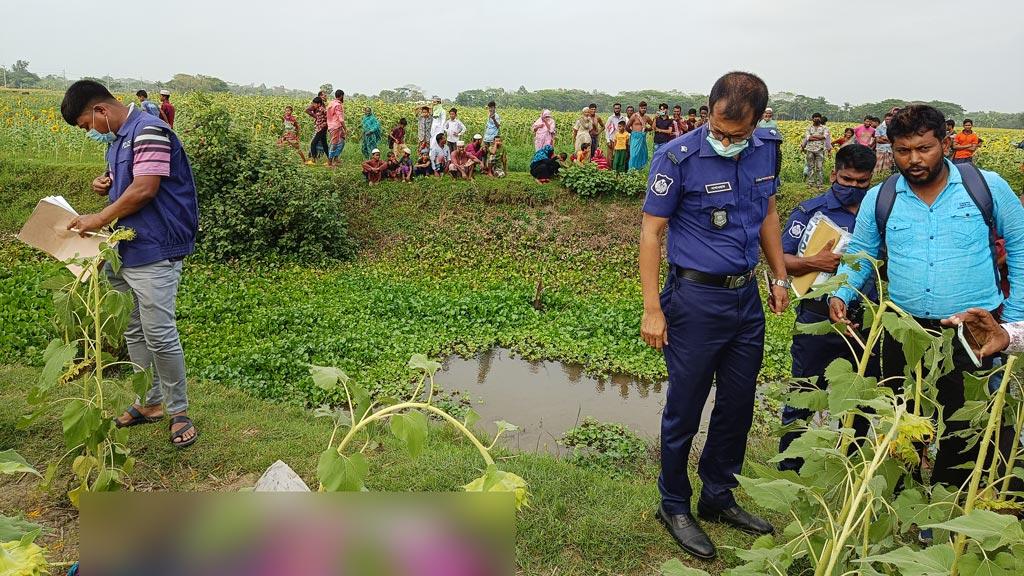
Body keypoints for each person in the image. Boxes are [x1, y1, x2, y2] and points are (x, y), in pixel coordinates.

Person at [829, 104, 1024, 495]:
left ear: (946, 144)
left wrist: (1012, 323)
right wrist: (840, 292)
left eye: (925, 148)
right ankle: (904, 502)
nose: (914, 160)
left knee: (965, 424)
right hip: (904, 330)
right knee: (904, 420)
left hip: (972, 331)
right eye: (904, 150)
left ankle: (947, 508)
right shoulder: (882, 198)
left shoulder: (985, 187)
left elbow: (1019, 247)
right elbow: (862, 252)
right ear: (892, 149)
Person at [641, 71, 787, 560]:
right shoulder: (676, 157)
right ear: (708, 110)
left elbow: (767, 213)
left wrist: (780, 275)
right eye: (718, 129)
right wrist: (652, 309)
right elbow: (650, 234)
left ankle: (718, 495)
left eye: (736, 134)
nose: (724, 140)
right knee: (684, 408)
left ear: (758, 121)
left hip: (745, 300)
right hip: (695, 301)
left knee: (738, 405)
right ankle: (674, 504)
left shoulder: (767, 147)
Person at [60, 80, 199, 448]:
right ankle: (149, 402)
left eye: (87, 126)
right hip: (126, 248)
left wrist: (99, 217)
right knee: (134, 329)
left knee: (159, 332)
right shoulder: (119, 139)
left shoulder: (149, 130)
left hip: (155, 245)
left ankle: (178, 409)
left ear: (101, 111)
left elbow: (146, 188)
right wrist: (107, 183)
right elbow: (130, 182)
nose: (90, 132)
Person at [777, 144, 878, 471]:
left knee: (862, 397)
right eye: (847, 180)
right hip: (817, 319)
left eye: (863, 183)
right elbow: (779, 259)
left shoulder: (879, 213)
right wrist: (813, 262)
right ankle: (790, 467)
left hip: (866, 321)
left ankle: (854, 466)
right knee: (803, 393)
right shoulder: (811, 212)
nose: (854, 189)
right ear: (834, 174)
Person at [800, 113, 831, 187]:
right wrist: (818, 137)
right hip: (809, 149)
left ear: (820, 118)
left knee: (819, 168)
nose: (816, 119)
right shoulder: (808, 127)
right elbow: (808, 138)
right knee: (810, 167)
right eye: (815, 117)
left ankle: (819, 184)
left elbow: (824, 137)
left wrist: (812, 136)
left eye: (818, 117)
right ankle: (810, 183)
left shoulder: (825, 128)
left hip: (820, 150)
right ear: (812, 118)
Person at [628, 102, 652, 170]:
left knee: (642, 154)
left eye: (645, 108)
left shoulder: (647, 117)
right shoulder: (634, 116)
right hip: (635, 137)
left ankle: (640, 170)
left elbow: (653, 126)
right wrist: (633, 134)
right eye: (642, 108)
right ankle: (631, 171)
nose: (643, 109)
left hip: (643, 137)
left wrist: (647, 129)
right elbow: (627, 126)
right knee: (634, 155)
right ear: (639, 108)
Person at [326, 90, 347, 168]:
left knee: (342, 141)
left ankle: (336, 157)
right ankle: (330, 161)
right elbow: (340, 119)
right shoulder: (337, 105)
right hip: (336, 126)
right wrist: (345, 128)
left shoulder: (331, 103)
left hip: (332, 125)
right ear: (341, 96)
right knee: (334, 144)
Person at [305, 96, 328, 163]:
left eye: (314, 104)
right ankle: (330, 159)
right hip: (321, 128)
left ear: (319, 104)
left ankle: (313, 160)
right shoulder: (318, 109)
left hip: (321, 128)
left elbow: (328, 117)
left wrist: (325, 124)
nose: (313, 105)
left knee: (313, 143)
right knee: (324, 144)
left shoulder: (322, 109)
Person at [874, 110, 895, 175]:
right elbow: (878, 140)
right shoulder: (879, 128)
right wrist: (889, 141)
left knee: (888, 167)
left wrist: (884, 138)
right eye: (887, 119)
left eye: (890, 119)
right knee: (878, 167)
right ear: (884, 119)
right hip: (881, 149)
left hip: (890, 150)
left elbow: (894, 139)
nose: (888, 121)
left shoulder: (894, 128)